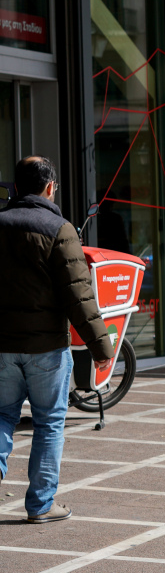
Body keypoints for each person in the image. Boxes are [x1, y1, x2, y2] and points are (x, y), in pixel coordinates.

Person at [0, 156, 115, 523]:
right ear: (49, 187)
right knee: (49, 422)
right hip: (46, 348)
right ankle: (41, 504)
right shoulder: (59, 228)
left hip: (1, 346)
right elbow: (78, 296)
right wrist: (101, 349)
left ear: (16, 187)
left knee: (1, 417)